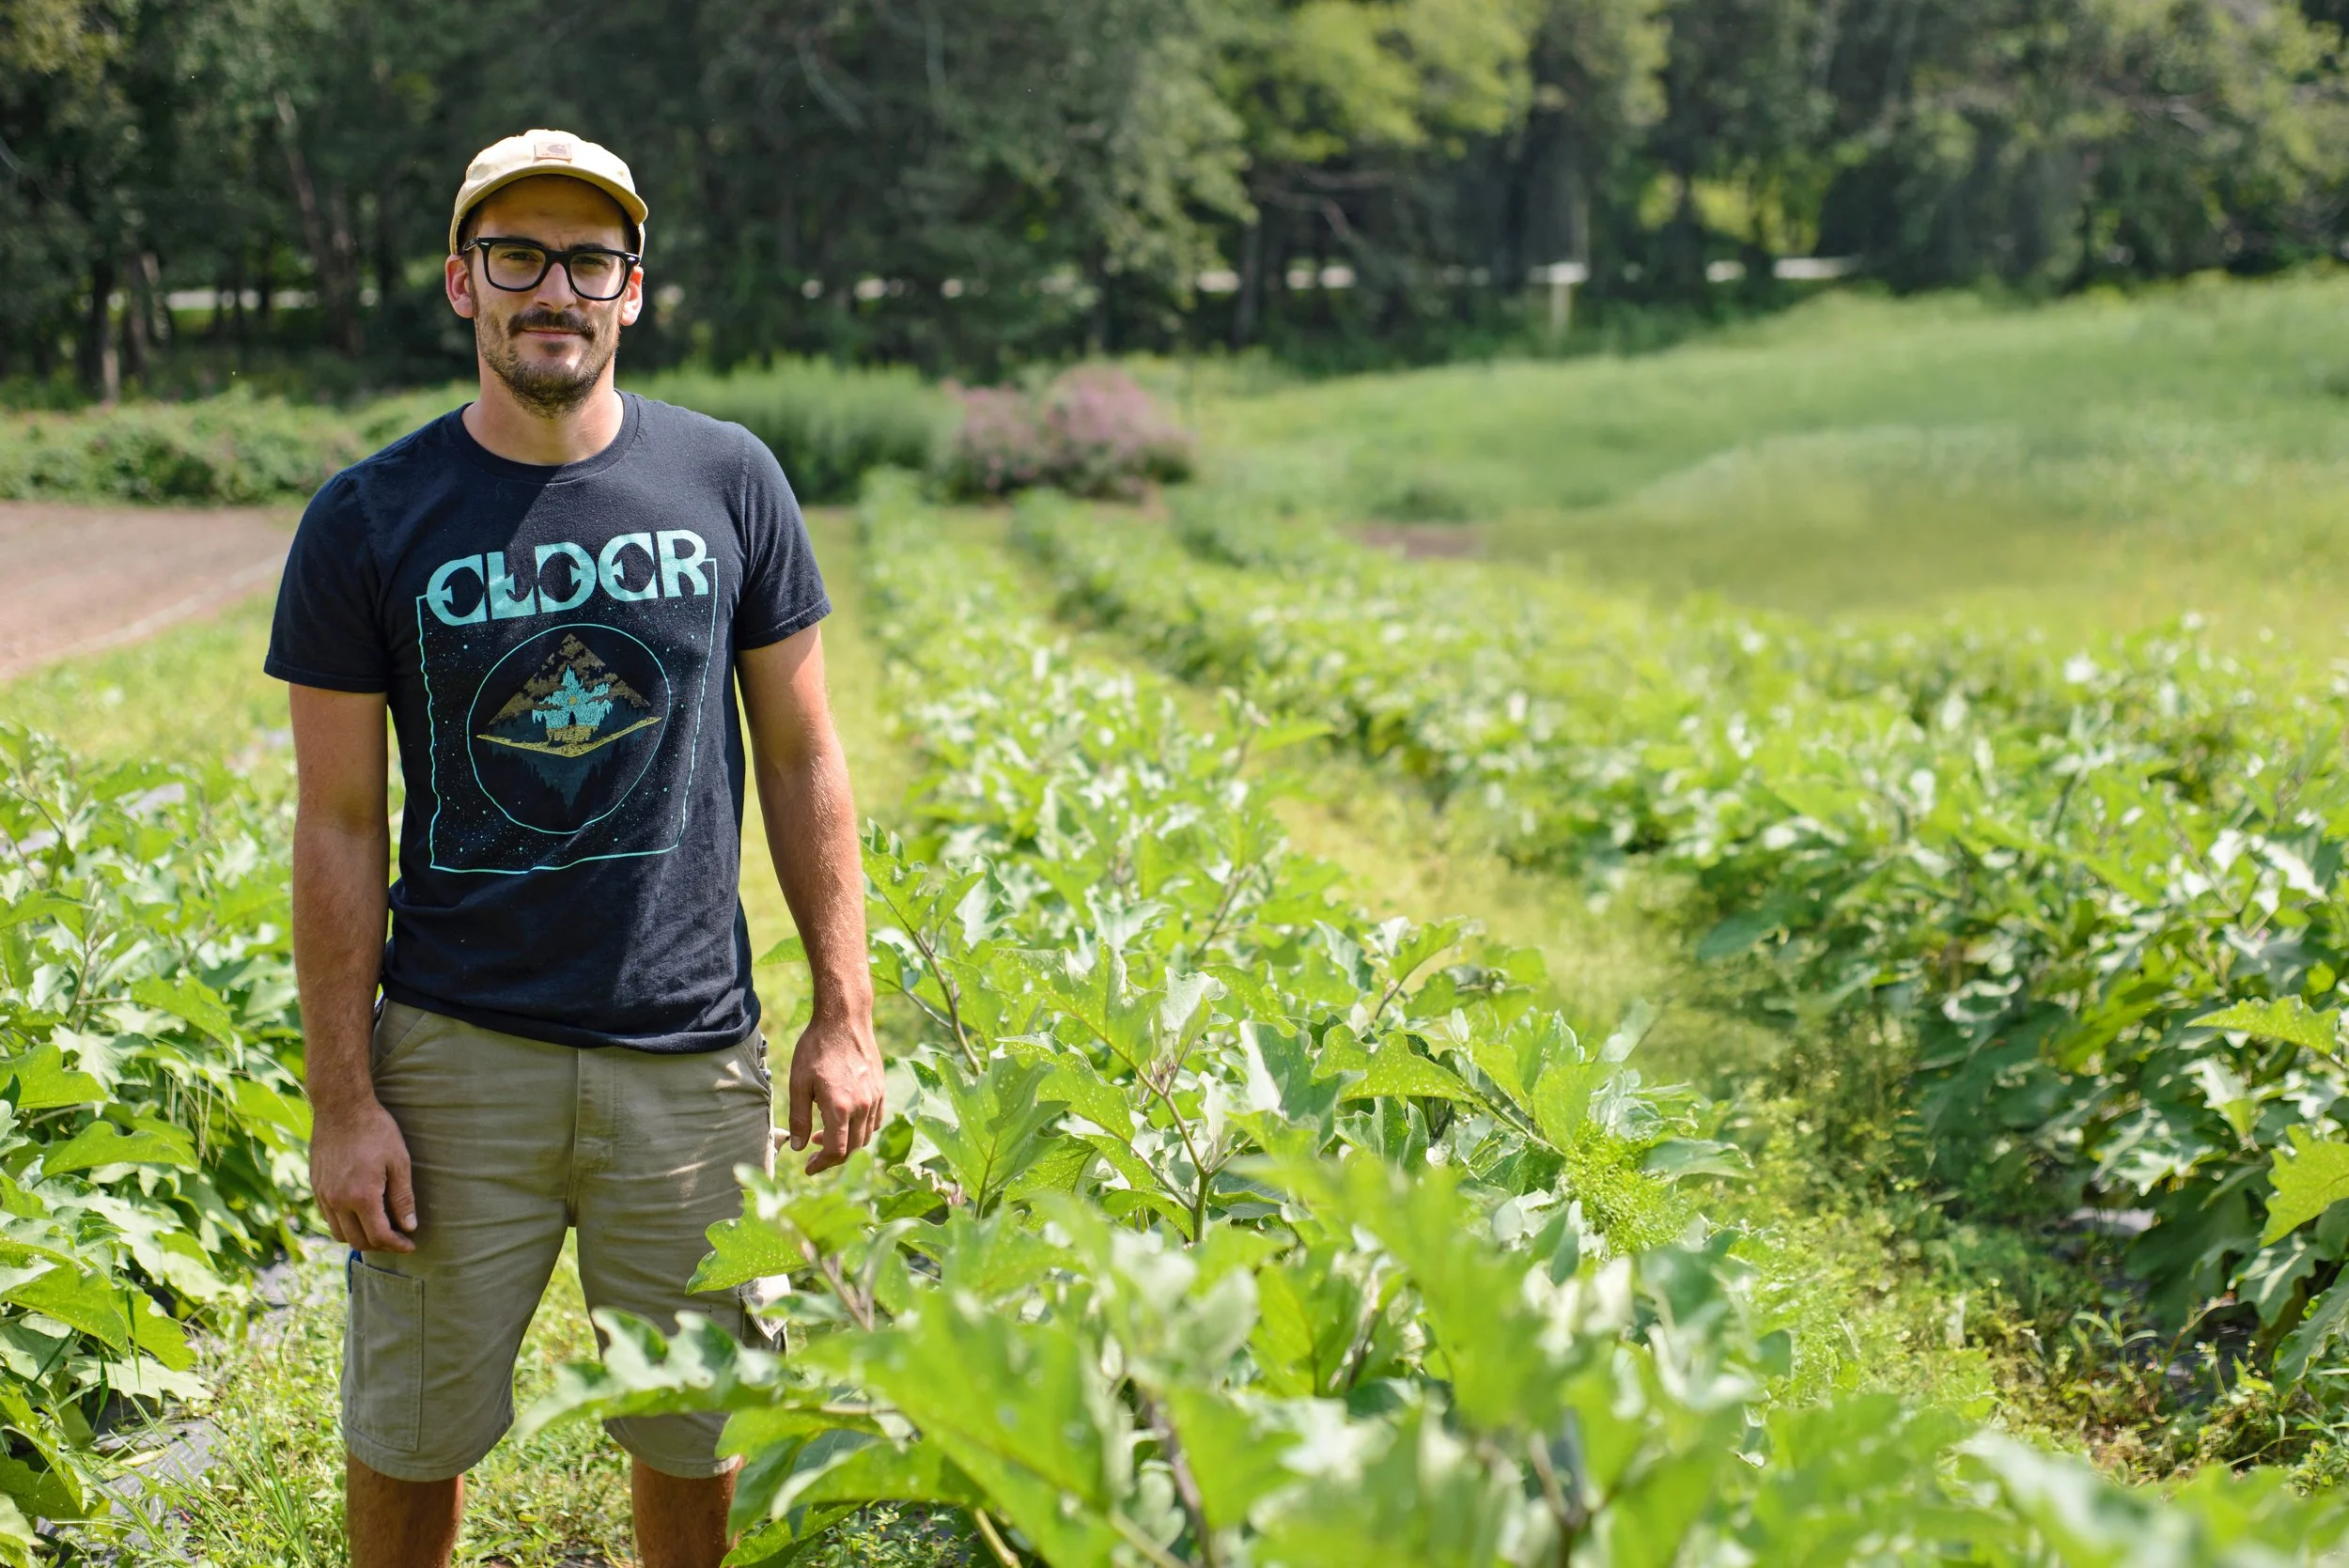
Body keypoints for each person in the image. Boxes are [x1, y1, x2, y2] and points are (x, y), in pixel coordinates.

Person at [265, 130, 884, 1568]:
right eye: (519, 256)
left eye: (588, 258)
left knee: (695, 1426)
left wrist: (846, 1015)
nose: (556, 287)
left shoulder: (729, 479)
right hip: (454, 1053)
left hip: (688, 1052)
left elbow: (801, 757)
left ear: (634, 288)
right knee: (410, 1431)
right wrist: (343, 1099)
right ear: (461, 283)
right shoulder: (367, 518)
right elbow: (342, 823)